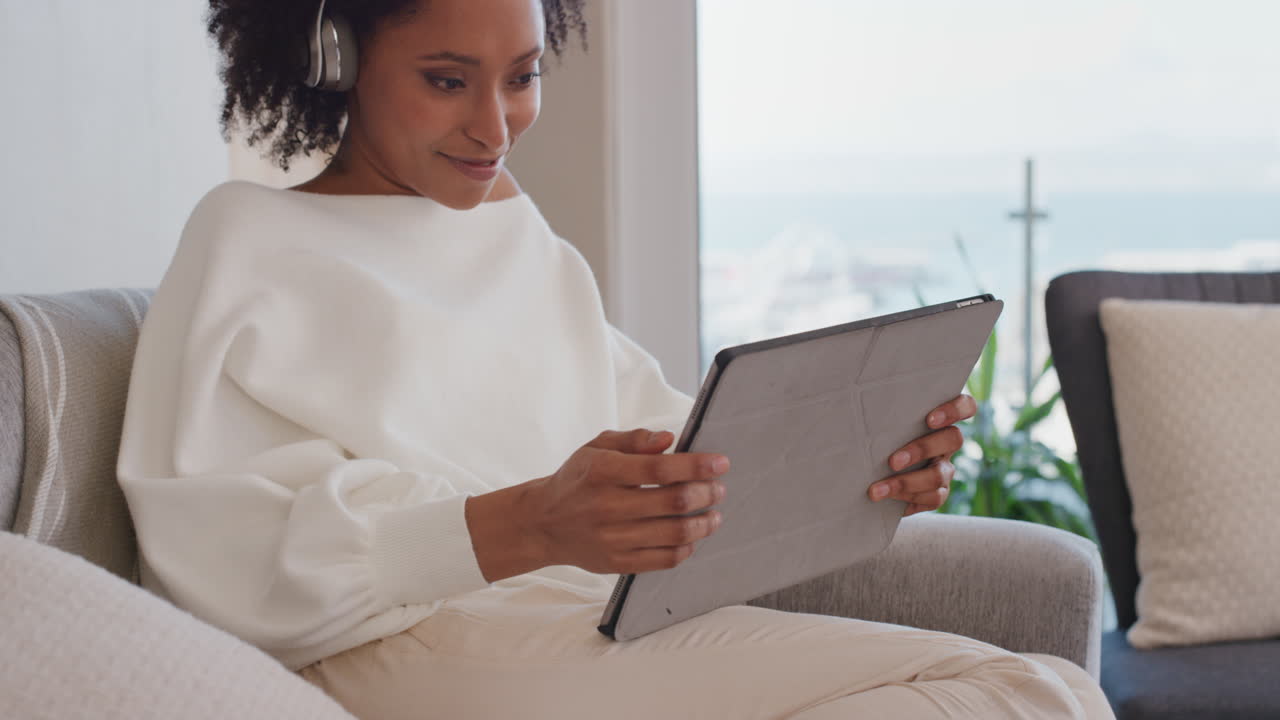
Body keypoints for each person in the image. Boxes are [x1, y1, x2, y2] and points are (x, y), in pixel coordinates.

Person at [116, 0, 1114, 717]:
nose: (494, 126)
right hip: (392, 646)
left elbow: (672, 435)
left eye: (522, 76)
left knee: (1042, 691)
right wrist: (523, 522)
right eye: (445, 80)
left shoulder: (511, 232)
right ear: (330, 54)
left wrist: (857, 461)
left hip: (578, 622)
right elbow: (214, 566)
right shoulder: (244, 238)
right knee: (1017, 695)